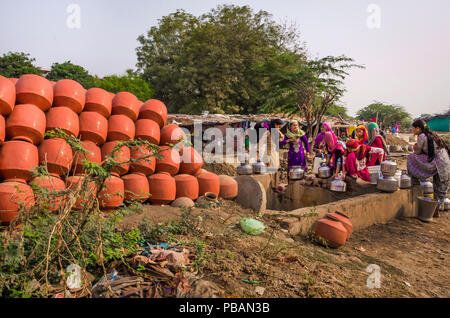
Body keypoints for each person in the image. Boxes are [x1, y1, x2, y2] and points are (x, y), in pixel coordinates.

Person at [407, 119, 450, 213]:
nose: (412, 130)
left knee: (411, 157)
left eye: (413, 128)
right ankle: (437, 209)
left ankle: (414, 179)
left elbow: (417, 152)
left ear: (418, 128)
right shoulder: (432, 134)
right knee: (440, 187)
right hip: (446, 162)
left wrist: (415, 148)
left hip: (437, 162)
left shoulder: (421, 136)